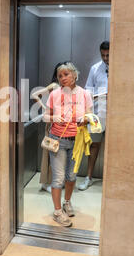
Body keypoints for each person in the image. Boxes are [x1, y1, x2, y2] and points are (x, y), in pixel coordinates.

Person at [44, 62, 93, 227]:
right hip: (58, 139)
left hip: (77, 141)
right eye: (60, 76)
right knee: (58, 178)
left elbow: (91, 116)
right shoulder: (54, 94)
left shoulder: (85, 94)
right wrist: (53, 118)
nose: (63, 78)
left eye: (66, 74)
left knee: (71, 176)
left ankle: (67, 202)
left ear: (74, 75)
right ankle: (57, 212)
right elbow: (45, 117)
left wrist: (85, 119)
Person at [78, 41, 109, 191]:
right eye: (103, 55)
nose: (105, 58)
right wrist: (101, 96)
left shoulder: (121, 67)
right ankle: (88, 177)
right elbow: (87, 92)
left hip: (116, 115)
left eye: (108, 55)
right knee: (94, 145)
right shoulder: (95, 69)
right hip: (98, 114)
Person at [32, 63, 61, 193]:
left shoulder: (66, 88)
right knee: (51, 151)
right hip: (51, 122)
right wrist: (45, 109)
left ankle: (50, 181)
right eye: (61, 73)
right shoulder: (55, 86)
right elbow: (34, 95)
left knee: (57, 152)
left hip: (60, 123)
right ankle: (46, 182)